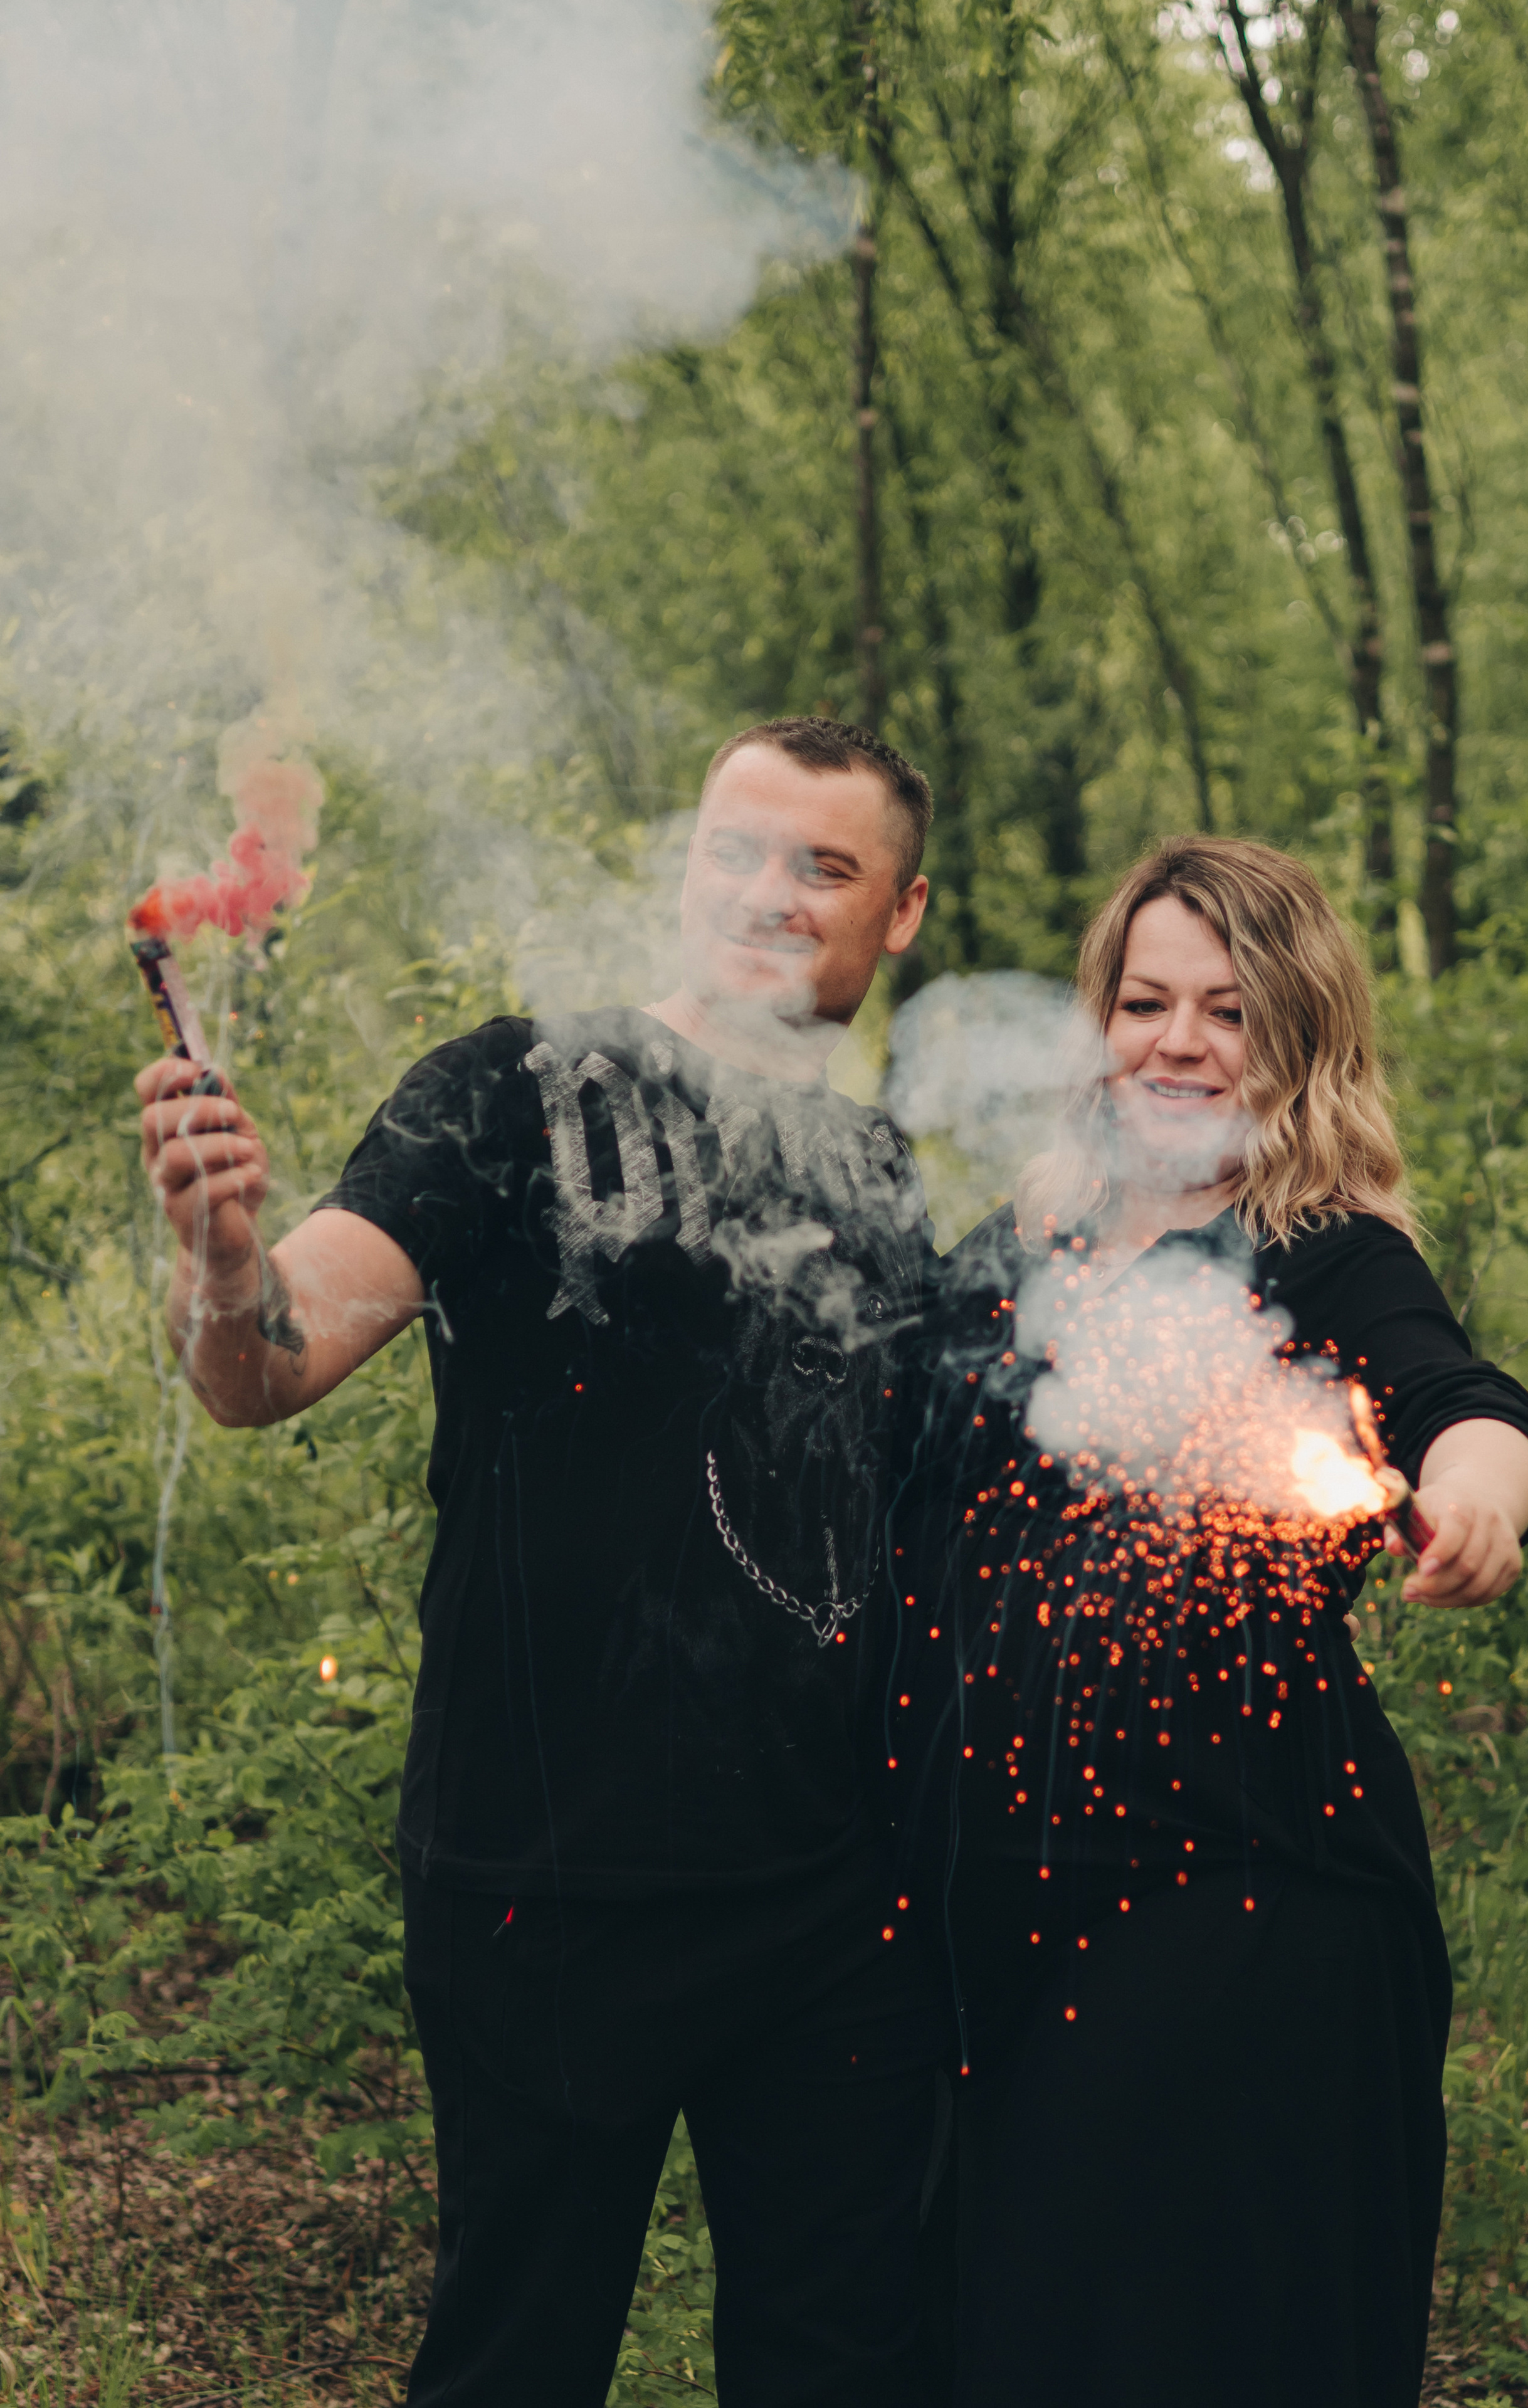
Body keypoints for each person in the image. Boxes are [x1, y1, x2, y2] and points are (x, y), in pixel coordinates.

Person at [137, 716, 952, 2408]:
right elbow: (267, 1365)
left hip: (829, 1900)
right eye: (736, 848)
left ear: (901, 912)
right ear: (683, 866)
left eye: (825, 865)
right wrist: (220, 1261)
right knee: (517, 2360)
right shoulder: (508, 1090)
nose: (771, 891)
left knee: (843, 2365)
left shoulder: (877, 1172)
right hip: (546, 1886)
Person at [887, 835, 1528, 2408]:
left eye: (1228, 1010)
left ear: (1298, 1037)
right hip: (992, 1901)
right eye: (1144, 1003)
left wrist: (1475, 1499)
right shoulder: (1020, 1246)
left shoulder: (1326, 1255)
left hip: (1233, 1896)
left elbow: (1464, 1404)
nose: (1178, 1043)